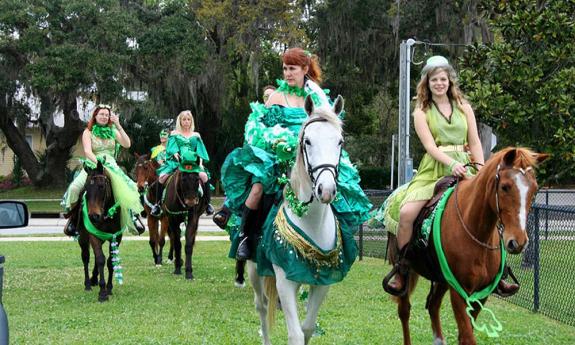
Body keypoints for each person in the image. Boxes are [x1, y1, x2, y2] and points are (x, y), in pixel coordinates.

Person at [218, 47, 372, 264]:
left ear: (304, 69)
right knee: (258, 188)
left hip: (313, 156)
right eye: (285, 69)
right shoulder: (277, 97)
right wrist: (277, 141)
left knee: (341, 185)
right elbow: (258, 127)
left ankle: (342, 241)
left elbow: (331, 127)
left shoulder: (318, 97)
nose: (288, 73)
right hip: (279, 156)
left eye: (292, 69)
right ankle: (247, 238)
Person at [381, 56, 518, 297]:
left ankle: (499, 271)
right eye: (434, 79)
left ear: (450, 81)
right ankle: (402, 269)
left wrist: (480, 168)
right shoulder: (421, 112)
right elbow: (430, 147)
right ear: (427, 82)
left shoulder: (464, 107)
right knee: (406, 214)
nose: (439, 83)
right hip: (435, 169)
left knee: (492, 209)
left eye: (443, 79)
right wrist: (452, 163)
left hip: (467, 167)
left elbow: (475, 141)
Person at [61, 104, 145, 236]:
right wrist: (99, 164)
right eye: (101, 114)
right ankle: (73, 220)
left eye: (107, 115)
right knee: (74, 189)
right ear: (95, 116)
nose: (104, 117)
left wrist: (118, 125)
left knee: (131, 188)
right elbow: (88, 152)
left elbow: (127, 144)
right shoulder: (87, 132)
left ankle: (133, 218)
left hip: (112, 166)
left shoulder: (113, 131)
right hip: (93, 166)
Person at [150, 110, 214, 217]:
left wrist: (201, 163)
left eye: (188, 119)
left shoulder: (196, 135)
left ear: (191, 121)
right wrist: (176, 155)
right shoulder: (174, 134)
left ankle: (208, 204)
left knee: (204, 176)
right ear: (180, 121)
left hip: (193, 163)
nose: (186, 122)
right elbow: (172, 148)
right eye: (184, 119)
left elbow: (200, 151)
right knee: (162, 177)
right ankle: (157, 204)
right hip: (177, 162)